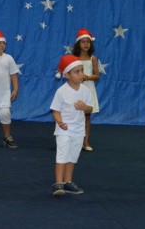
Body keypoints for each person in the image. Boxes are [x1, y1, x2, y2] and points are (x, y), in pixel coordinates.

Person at [51, 55, 93, 196]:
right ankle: (58, 183)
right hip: (64, 131)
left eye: (81, 70)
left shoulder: (85, 90)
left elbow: (90, 109)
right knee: (62, 156)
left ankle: (68, 181)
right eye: (77, 71)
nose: (81, 74)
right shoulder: (61, 91)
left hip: (79, 131)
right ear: (67, 75)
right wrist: (60, 122)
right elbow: (55, 110)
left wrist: (84, 106)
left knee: (73, 157)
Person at [72, 28, 99, 151]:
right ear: (78, 44)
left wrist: (86, 77)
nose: (86, 44)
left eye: (88, 42)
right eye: (83, 42)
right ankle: (73, 140)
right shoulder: (74, 58)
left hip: (88, 89)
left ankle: (85, 141)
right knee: (74, 115)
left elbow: (97, 76)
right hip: (76, 89)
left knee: (87, 116)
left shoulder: (93, 58)